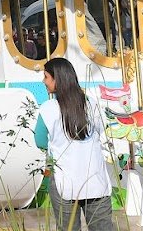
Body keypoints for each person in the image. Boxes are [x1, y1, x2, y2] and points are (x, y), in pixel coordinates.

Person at [34, 58, 113, 231]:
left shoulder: (48, 109)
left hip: (64, 181)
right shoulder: (92, 103)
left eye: (46, 77)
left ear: (57, 79)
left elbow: (39, 141)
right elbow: (100, 131)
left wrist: (59, 145)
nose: (43, 81)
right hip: (95, 178)